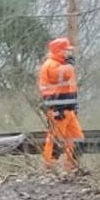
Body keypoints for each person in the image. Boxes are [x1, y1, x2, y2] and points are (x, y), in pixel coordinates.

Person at [39, 37, 82, 171]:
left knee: (75, 137)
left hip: (68, 108)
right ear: (59, 51)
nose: (68, 53)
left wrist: (74, 106)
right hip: (58, 109)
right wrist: (69, 66)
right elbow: (61, 76)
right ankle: (49, 166)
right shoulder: (51, 65)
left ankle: (71, 166)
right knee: (55, 139)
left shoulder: (61, 64)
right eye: (66, 50)